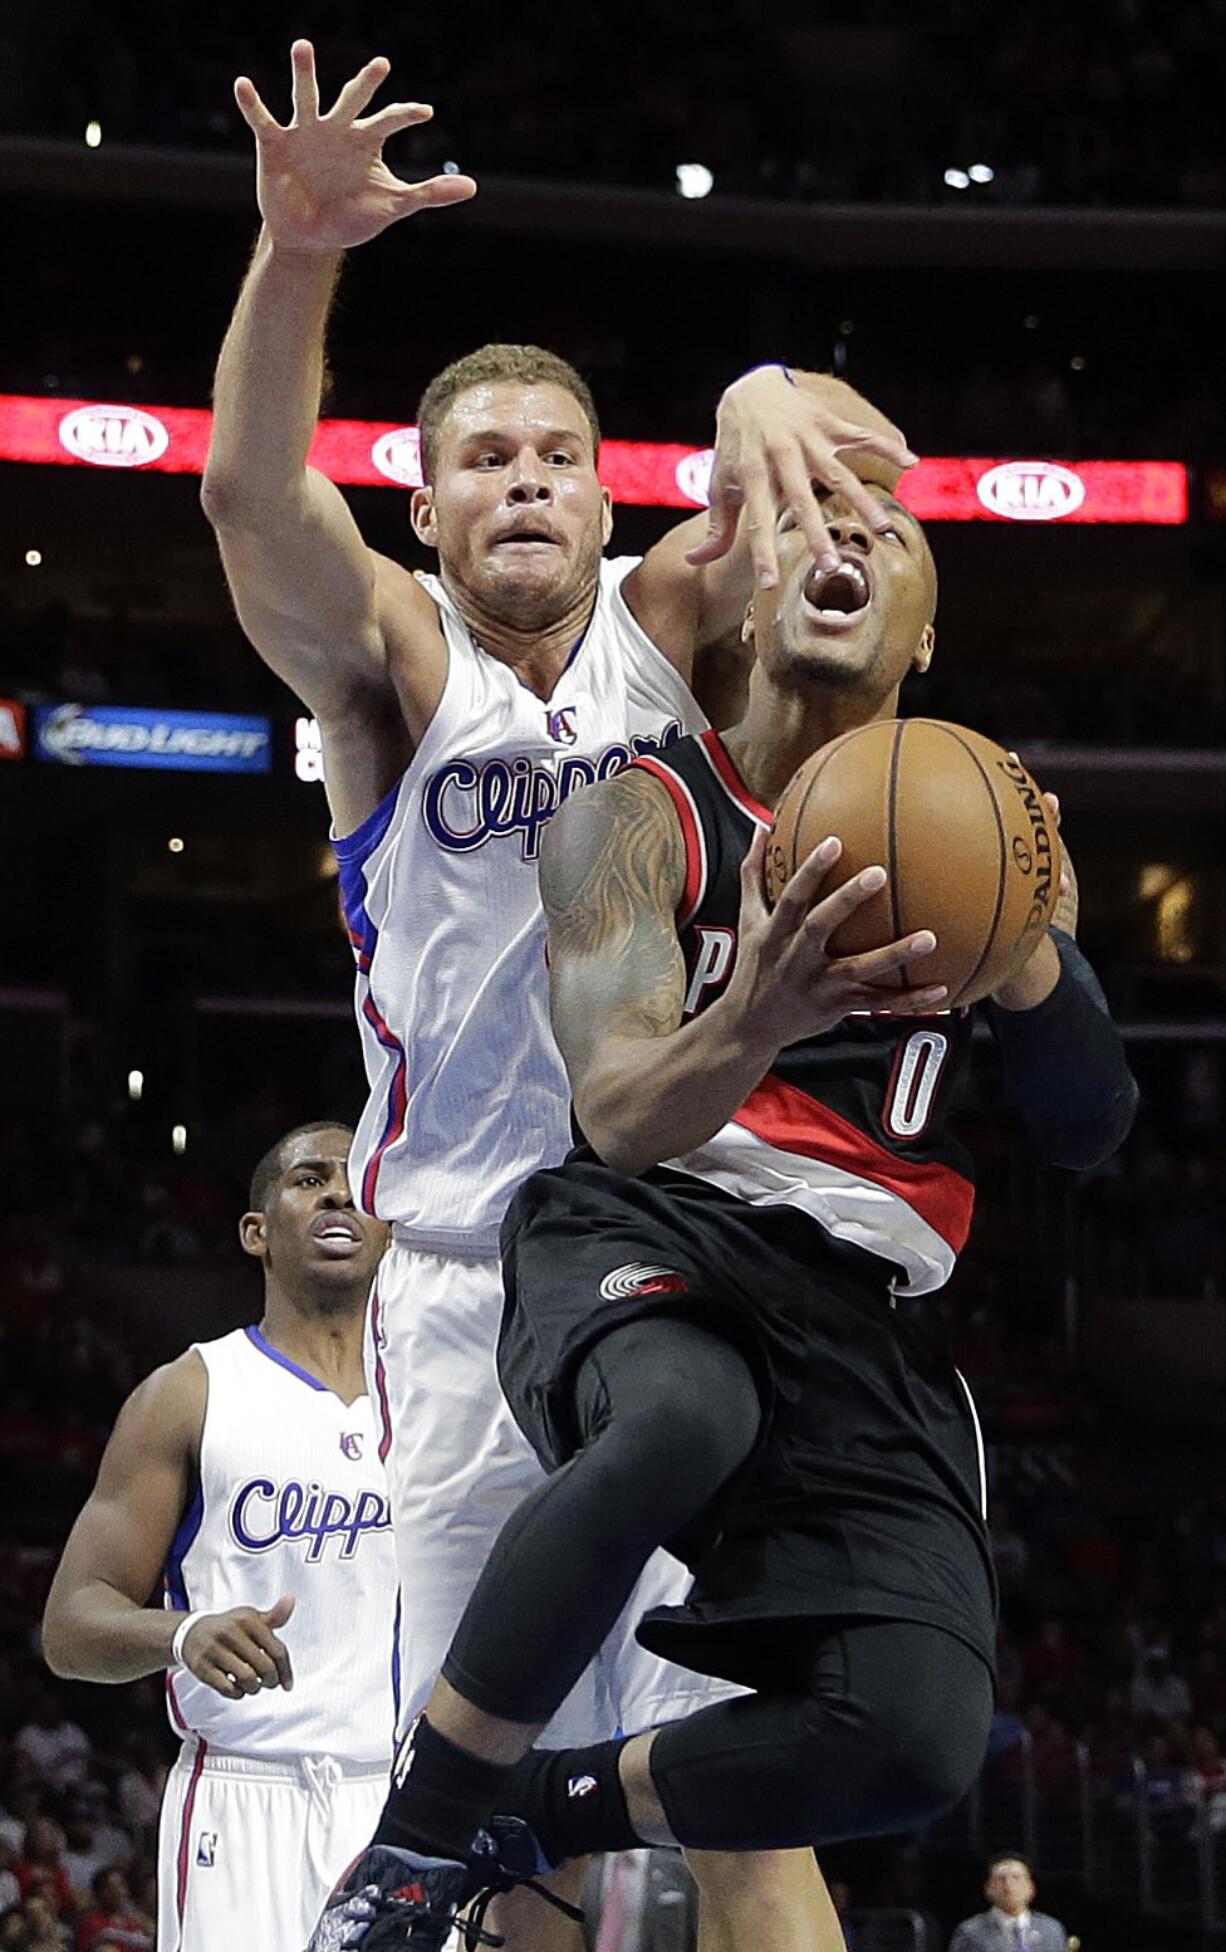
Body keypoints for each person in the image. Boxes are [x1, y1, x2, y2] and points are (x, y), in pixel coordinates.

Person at [205, 36, 914, 1952]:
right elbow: (253, 500)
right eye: (479, 462)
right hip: (456, 1302)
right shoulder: (380, 667)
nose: (521, 482)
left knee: (754, 1820)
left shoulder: (670, 623)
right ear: (426, 514)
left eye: (553, 456)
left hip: (673, 1264)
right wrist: (295, 259)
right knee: (497, 1837)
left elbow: (866, 476)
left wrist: (767, 388)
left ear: (609, 506)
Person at [313, 473, 1138, 1941]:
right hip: (647, 1232)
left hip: (859, 1305)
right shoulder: (632, 808)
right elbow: (619, 1117)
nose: (845, 548)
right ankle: (426, 1829)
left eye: (886, 539)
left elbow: (1090, 1131)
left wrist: (1032, 963)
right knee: (686, 1418)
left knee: (909, 1737)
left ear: (924, 635)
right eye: (815, 535)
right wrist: (751, 1013)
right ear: (757, 601)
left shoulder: (999, 838)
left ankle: (535, 1809)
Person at [41, 1124, 396, 1952]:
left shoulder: (444, 1393)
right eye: (309, 1181)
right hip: (244, 1797)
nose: (339, 1194)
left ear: (391, 1222)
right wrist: (184, 1633)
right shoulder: (189, 1393)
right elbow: (69, 1626)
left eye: (356, 1180)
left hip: (403, 1798)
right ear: (256, 1231)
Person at [948, 1855, 1068, 1952]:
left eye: (1016, 1878)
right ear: (988, 1889)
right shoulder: (970, 1932)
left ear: (1031, 1889)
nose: (1008, 1886)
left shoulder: (1051, 1929)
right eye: (1000, 1879)